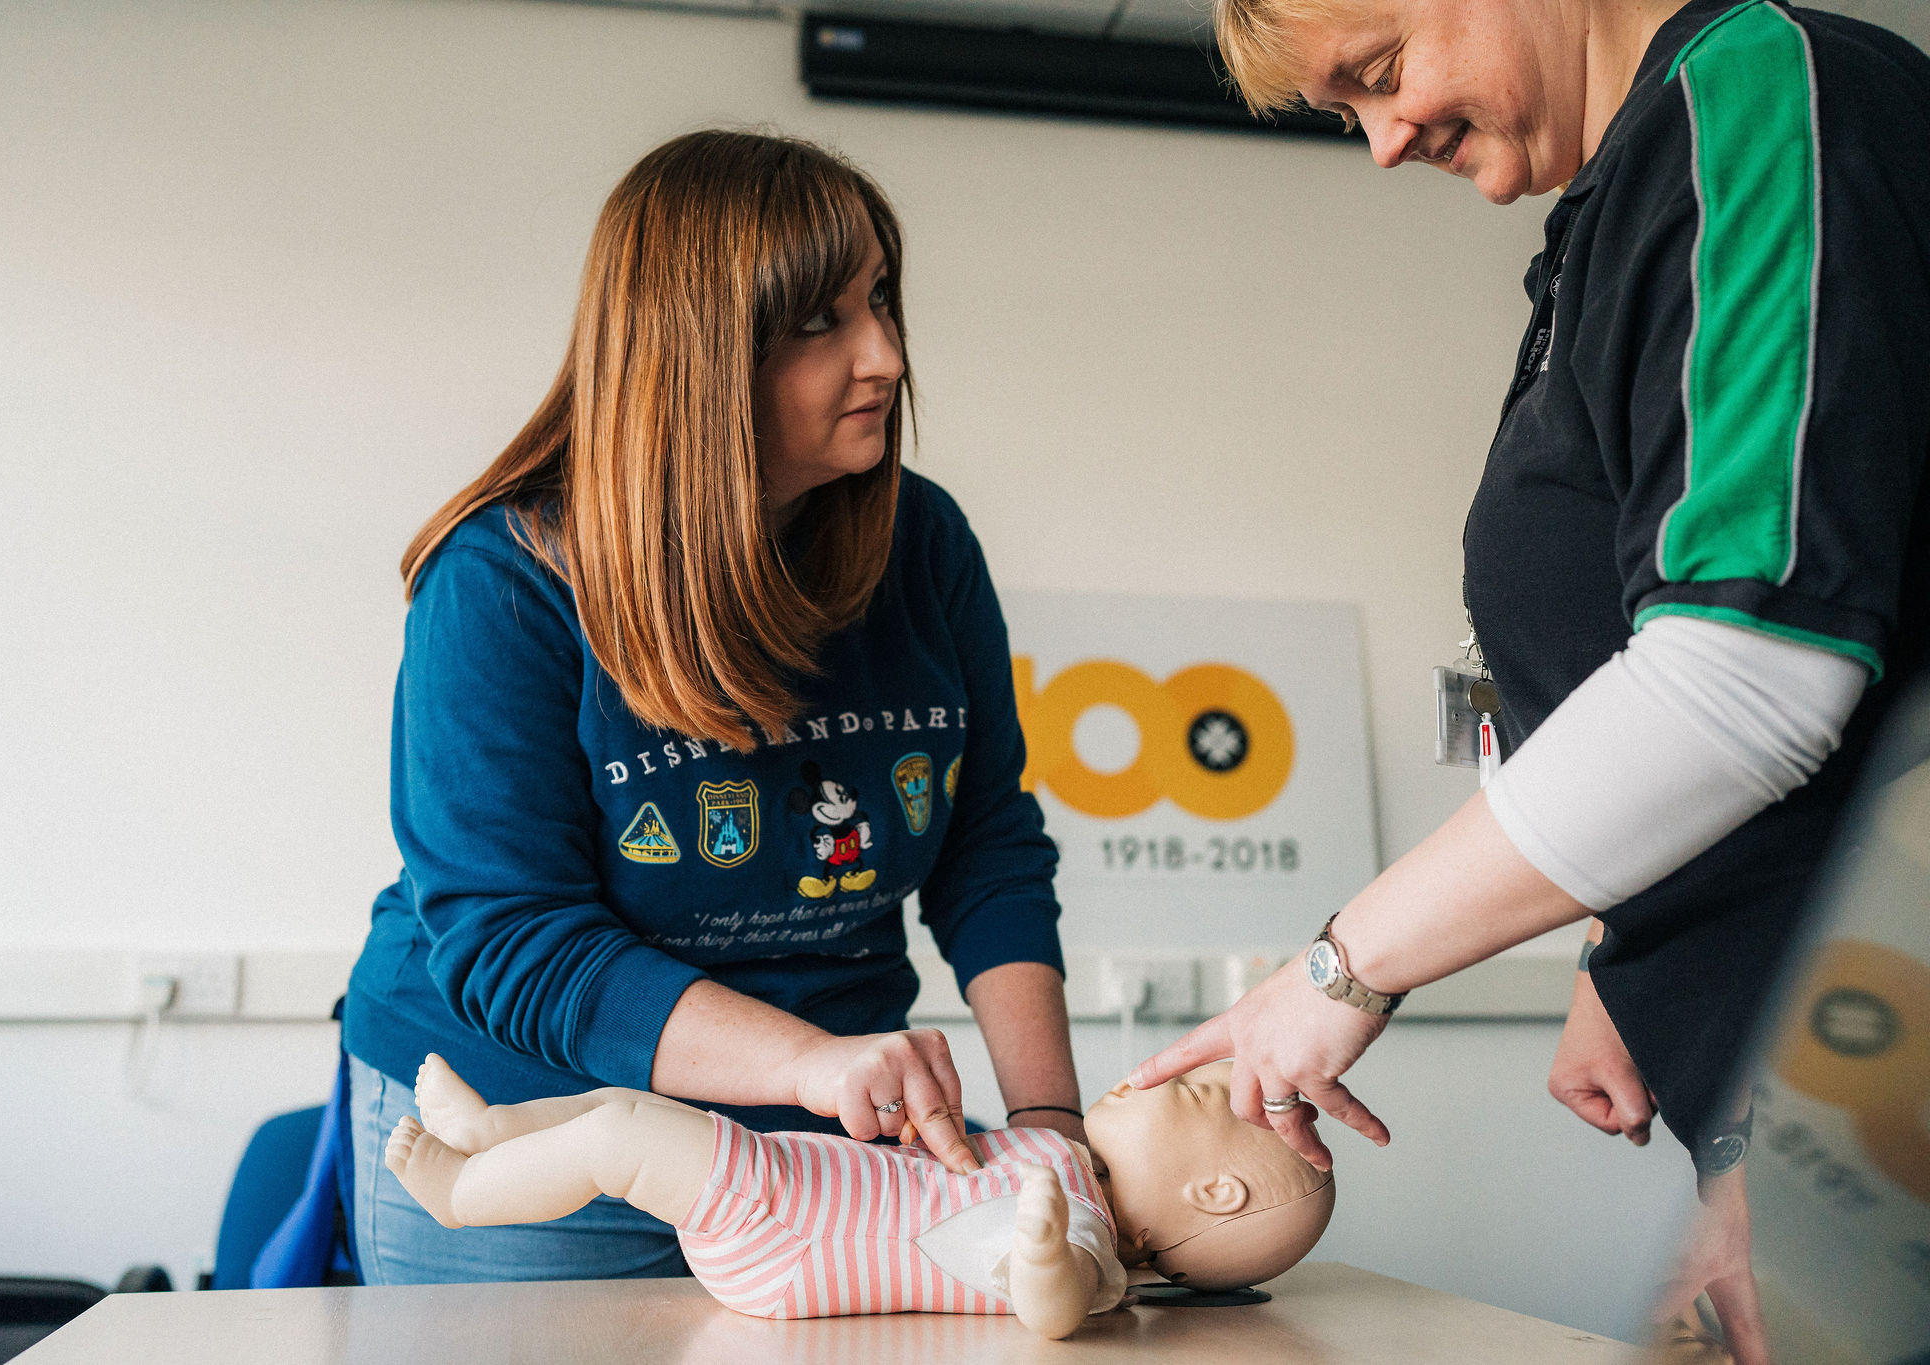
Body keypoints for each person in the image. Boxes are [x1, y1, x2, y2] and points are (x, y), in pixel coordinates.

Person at [1135, 0, 1929, 1356]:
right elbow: (1631, 648)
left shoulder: (1757, 102)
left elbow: (1749, 676)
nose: (1381, 143)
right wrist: (1622, 952)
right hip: (1798, 1107)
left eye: (1380, 74)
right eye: (1347, 110)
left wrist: (1340, 971)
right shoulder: (1602, 224)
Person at [342, 130, 1086, 1286]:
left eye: (880, 300)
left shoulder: (922, 542)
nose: (884, 356)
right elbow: (512, 939)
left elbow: (985, 848)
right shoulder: (502, 580)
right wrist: (808, 1061)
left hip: (812, 1134)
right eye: (820, 324)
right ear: (698, 355)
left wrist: (1050, 1124)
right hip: (528, 1139)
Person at [379, 1053, 1332, 1338]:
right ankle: (495, 1131)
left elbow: (1058, 1309)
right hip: (786, 1187)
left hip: (786, 1228)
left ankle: (462, 1193)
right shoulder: (1065, 1157)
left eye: (1197, 1096)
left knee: (620, 1140)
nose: (1163, 1075)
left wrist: (1044, 1254)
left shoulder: (1078, 1217)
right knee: (626, 1110)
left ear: (1216, 1188)